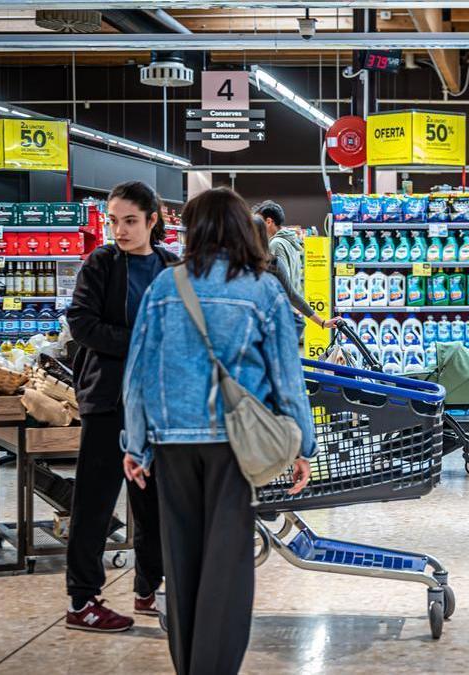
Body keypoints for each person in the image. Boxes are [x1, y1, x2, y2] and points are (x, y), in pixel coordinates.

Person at [121, 187, 317, 675]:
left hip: (171, 444)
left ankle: (189, 665)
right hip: (235, 445)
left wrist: (136, 443)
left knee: (181, 559)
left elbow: (139, 373)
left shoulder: (166, 287)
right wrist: (301, 443)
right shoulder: (262, 289)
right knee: (227, 566)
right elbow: (286, 376)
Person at [65, 181, 177, 632]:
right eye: (113, 221)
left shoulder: (172, 268)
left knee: (153, 502)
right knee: (94, 502)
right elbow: (82, 323)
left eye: (130, 220)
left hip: (158, 405)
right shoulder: (100, 264)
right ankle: (82, 600)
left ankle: (148, 588)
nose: (120, 230)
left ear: (153, 220)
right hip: (108, 400)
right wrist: (141, 343)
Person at [252, 200, 335, 331]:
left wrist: (322, 322)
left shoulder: (276, 244)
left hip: (279, 317)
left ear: (268, 222)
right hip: (290, 311)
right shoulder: (290, 241)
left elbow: (285, 288)